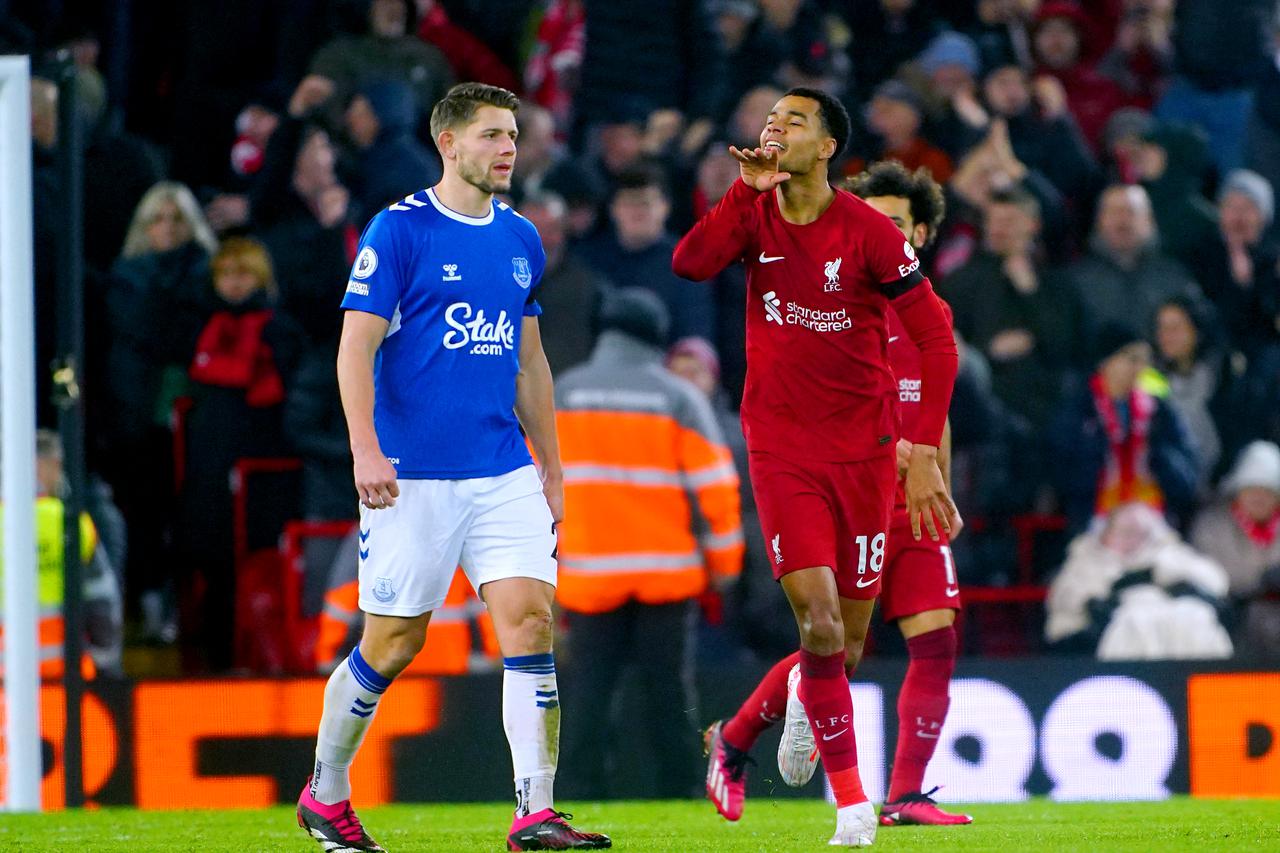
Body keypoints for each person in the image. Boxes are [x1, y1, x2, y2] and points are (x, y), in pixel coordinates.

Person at [295, 83, 610, 853]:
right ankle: (325, 792)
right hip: (413, 475)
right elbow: (355, 347)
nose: (509, 148)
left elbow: (529, 363)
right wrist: (365, 448)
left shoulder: (520, 238)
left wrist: (553, 466)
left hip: (501, 468)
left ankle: (535, 810)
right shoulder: (398, 231)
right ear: (449, 143)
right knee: (394, 642)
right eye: (493, 135)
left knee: (531, 620)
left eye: (513, 134)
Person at [673, 88, 959, 847]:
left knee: (846, 645)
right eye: (769, 119)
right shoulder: (753, 214)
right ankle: (854, 809)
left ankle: (732, 738)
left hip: (863, 455)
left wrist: (924, 450)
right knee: (821, 622)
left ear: (829, 145)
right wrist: (743, 191)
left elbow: (937, 340)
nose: (774, 129)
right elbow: (690, 263)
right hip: (781, 449)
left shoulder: (868, 232)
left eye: (793, 121)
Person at [555, 289, 744, 800]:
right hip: (668, 575)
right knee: (669, 693)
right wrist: (724, 566)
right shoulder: (678, 397)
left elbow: (532, 482)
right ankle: (680, 789)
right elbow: (717, 488)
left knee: (589, 692)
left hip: (588, 576)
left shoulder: (564, 393)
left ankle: (578, 792)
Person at [1048, 322, 1199, 536]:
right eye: (1132, 359)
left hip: (1154, 525)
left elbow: (1187, 478)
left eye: (1145, 360)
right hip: (1095, 528)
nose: (1140, 368)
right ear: (1106, 362)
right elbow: (1062, 476)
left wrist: (1158, 454)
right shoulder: (1079, 411)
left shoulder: (1160, 413)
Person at [1046, 502, 1233, 659]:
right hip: (1111, 629)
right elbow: (1066, 596)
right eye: (1124, 532)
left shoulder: (1171, 555)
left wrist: (1159, 573)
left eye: (1141, 533)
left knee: (1194, 617)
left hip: (1175, 623)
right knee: (1134, 621)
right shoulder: (1086, 558)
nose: (1132, 540)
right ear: (1106, 533)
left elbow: (1216, 582)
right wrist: (1103, 597)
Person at [1192, 441, 1280, 660]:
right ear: (1237, 491)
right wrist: (1260, 583)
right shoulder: (1211, 526)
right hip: (1231, 616)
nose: (1259, 498)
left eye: (1267, 491)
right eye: (1251, 489)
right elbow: (1206, 575)